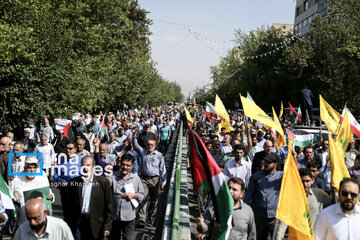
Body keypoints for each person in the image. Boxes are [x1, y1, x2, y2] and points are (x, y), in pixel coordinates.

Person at [68, 156, 113, 240]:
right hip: (79, 223)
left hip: (97, 224)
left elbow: (109, 205)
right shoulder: (74, 182)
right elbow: (69, 205)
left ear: (93, 166)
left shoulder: (103, 182)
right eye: (83, 166)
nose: (86, 168)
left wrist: (107, 226)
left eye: (88, 165)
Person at [132, 127, 167, 227]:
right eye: (148, 145)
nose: (150, 146)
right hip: (143, 178)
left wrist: (164, 181)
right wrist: (134, 134)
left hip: (155, 180)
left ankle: (151, 218)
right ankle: (142, 219)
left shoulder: (159, 155)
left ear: (155, 146)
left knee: (154, 200)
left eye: (152, 145)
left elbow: (163, 169)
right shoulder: (143, 152)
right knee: (143, 198)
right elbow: (135, 144)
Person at [244, 153, 283, 240]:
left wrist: (293, 158)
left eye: (269, 162)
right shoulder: (255, 177)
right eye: (265, 161)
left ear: (275, 164)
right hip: (259, 216)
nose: (266, 164)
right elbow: (248, 196)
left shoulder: (281, 176)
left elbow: (293, 172)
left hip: (275, 217)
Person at [10, 156, 55, 226]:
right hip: (23, 220)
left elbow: (49, 192)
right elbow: (9, 193)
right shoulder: (17, 180)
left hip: (40, 219)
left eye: (34, 168)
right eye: (29, 167)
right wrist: (12, 198)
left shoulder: (42, 178)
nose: (32, 170)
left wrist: (51, 197)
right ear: (25, 168)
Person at [108, 154, 144, 240]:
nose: (125, 167)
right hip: (115, 216)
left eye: (128, 165)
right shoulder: (113, 177)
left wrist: (134, 195)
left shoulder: (136, 179)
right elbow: (105, 190)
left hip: (129, 217)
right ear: (120, 164)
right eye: (123, 164)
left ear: (131, 167)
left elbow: (142, 195)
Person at [53, 142, 82, 224]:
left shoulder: (81, 160)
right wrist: (60, 180)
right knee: (66, 212)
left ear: (75, 149)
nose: (68, 150)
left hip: (77, 190)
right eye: (67, 148)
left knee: (77, 212)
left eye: (70, 148)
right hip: (65, 190)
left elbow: (85, 174)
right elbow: (55, 174)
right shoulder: (62, 160)